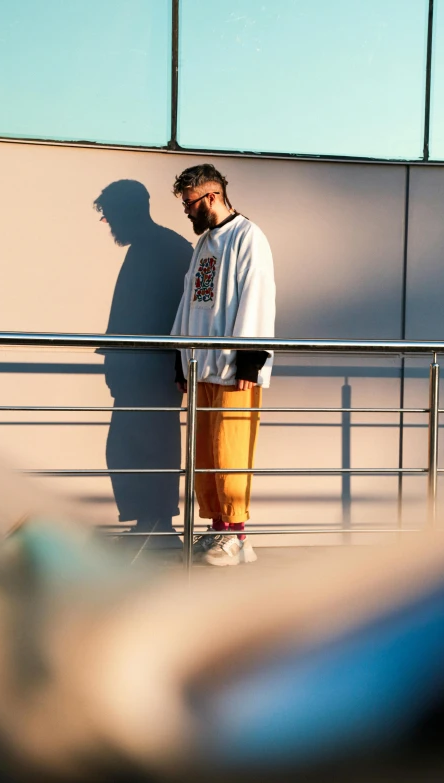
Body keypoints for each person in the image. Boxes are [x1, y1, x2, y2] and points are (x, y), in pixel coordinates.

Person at [171, 164, 276, 566]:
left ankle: (236, 534)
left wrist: (250, 360)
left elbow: (258, 295)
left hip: (235, 370)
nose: (186, 211)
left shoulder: (248, 237)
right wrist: (182, 360)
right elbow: (188, 303)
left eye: (189, 202)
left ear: (211, 197)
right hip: (202, 366)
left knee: (231, 452)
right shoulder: (204, 245)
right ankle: (219, 530)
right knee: (205, 455)